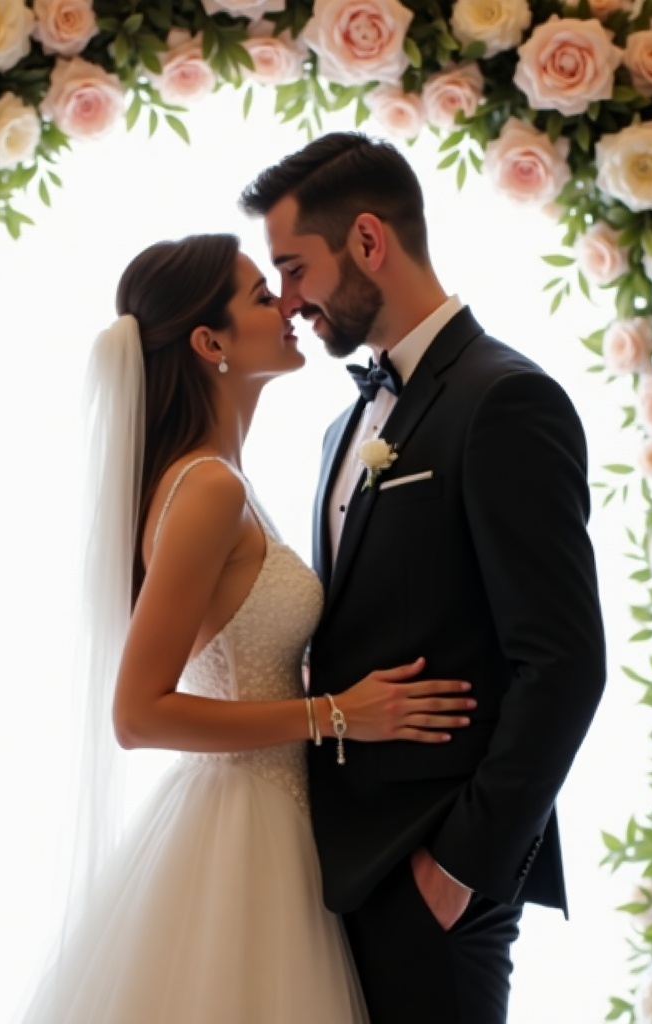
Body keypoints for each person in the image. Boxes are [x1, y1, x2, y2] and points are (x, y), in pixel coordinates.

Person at [21, 233, 478, 1024]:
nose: (290, 306)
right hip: (245, 831)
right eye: (263, 299)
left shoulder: (223, 479)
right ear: (210, 343)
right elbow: (138, 714)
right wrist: (335, 714)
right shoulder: (206, 489)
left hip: (278, 815)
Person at [240, 132, 607, 1024]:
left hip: (432, 879)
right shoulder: (341, 428)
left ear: (368, 242)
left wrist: (458, 870)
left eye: (294, 268)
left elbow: (563, 664)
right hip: (332, 868)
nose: (289, 302)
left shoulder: (507, 400)